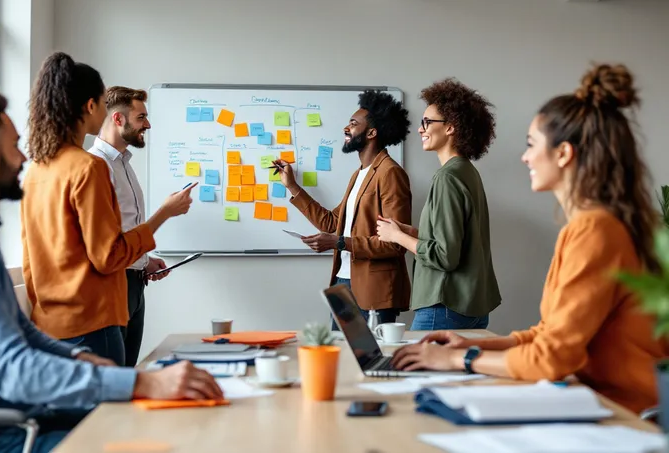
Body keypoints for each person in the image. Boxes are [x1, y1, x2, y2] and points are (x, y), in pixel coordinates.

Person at [0, 91, 222, 453]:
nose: (23, 158)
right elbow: (13, 370)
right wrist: (141, 383)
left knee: (155, 423)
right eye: (14, 146)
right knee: (158, 438)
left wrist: (80, 358)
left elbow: (22, 333)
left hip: (16, 416)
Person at [389, 64, 669, 414]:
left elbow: (551, 358)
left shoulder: (596, 231)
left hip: (625, 415)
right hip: (604, 405)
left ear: (563, 153)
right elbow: (549, 333)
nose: (524, 157)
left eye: (531, 144)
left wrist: (459, 359)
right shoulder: (588, 227)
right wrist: (476, 346)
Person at [21, 52, 196, 364]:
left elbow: (35, 257)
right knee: (119, 395)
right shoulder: (89, 167)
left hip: (50, 323)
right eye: (103, 103)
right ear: (91, 106)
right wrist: (163, 214)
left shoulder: (37, 169)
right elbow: (108, 256)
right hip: (92, 322)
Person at [274, 89, 412, 326]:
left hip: (372, 290)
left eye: (353, 123)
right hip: (343, 281)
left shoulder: (390, 173)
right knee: (339, 349)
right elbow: (330, 223)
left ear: (372, 132)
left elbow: (395, 244)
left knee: (369, 352)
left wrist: (339, 242)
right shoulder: (358, 175)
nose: (346, 128)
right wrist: (292, 187)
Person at [376, 79, 500, 330]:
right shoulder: (467, 171)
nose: (420, 129)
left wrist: (396, 237)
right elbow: (457, 241)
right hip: (471, 305)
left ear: (450, 127)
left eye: (427, 122)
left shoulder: (447, 177)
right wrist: (415, 233)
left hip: (444, 305)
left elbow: (444, 257)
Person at [88, 86, 169, 366]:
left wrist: (144, 261)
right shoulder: (96, 166)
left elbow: (123, 227)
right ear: (118, 119)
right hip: (113, 284)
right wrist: (166, 212)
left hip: (135, 283)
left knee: (129, 370)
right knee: (117, 375)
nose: (148, 124)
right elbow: (101, 242)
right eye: (141, 117)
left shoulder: (124, 164)